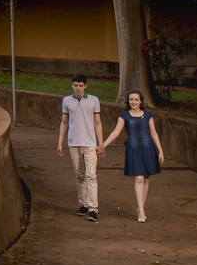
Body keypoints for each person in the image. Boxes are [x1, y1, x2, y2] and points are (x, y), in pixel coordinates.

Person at [100, 90, 165, 222]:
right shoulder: (124, 115)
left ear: (141, 101)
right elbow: (116, 132)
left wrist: (160, 150)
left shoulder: (148, 114)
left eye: (136, 99)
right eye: (131, 99)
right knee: (139, 178)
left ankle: (141, 207)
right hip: (133, 148)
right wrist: (103, 145)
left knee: (146, 178)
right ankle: (141, 210)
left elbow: (154, 133)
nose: (133, 102)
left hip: (147, 147)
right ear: (128, 101)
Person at [58, 74, 104, 222]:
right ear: (72, 85)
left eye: (80, 86)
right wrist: (60, 142)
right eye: (75, 85)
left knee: (91, 175)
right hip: (73, 142)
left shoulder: (93, 100)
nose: (78, 88)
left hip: (90, 143)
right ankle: (83, 204)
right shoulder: (67, 101)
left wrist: (101, 143)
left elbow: (97, 122)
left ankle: (93, 208)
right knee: (79, 175)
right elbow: (64, 122)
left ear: (85, 86)